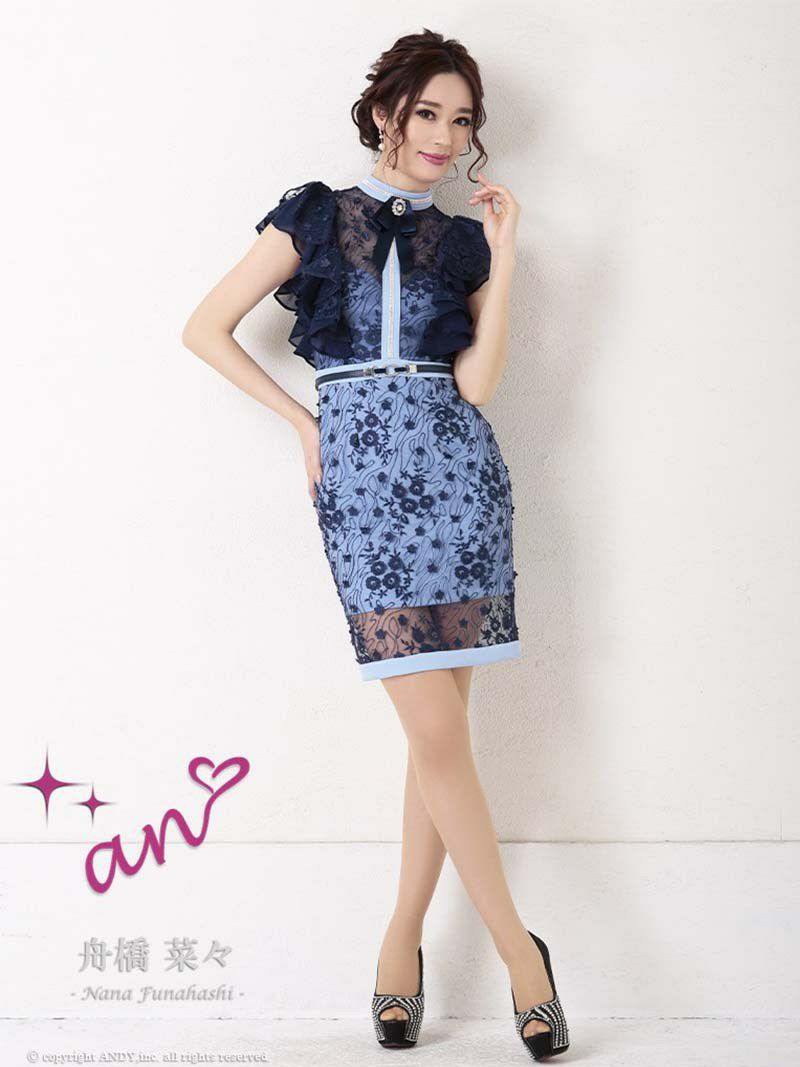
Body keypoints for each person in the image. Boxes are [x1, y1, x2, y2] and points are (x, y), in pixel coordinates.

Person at [181, 27, 569, 1063]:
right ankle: (521, 954)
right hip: (359, 489)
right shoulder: (313, 214)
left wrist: (508, 256)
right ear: (386, 111)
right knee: (437, 734)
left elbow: (478, 382)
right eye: (427, 112)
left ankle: (400, 941)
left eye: (462, 121)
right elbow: (205, 327)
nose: (444, 136)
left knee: (437, 739)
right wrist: (301, 422)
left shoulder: (464, 243)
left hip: (460, 485)